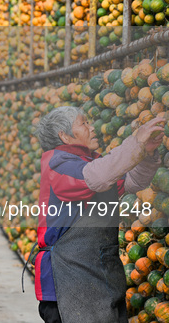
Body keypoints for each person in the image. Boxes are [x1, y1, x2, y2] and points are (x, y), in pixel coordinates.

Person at [33, 106, 163, 323]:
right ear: (64, 135)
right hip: (67, 278)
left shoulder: (91, 163)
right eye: (83, 123)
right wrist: (135, 143)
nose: (92, 128)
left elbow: (131, 182)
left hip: (100, 274)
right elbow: (97, 177)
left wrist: (146, 154)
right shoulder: (58, 164)